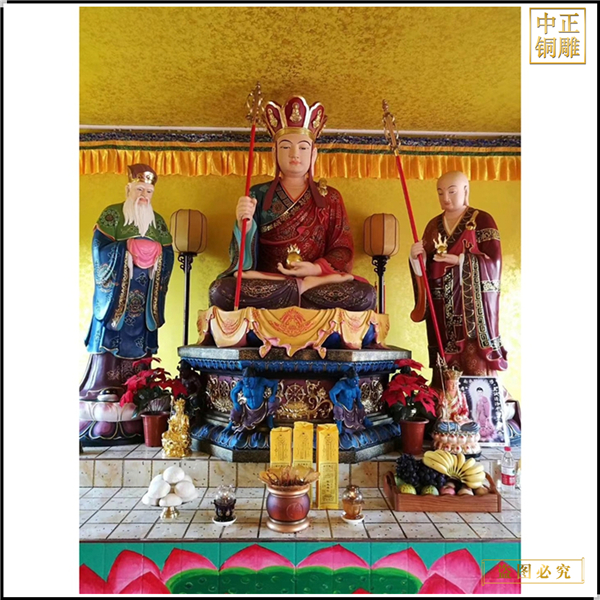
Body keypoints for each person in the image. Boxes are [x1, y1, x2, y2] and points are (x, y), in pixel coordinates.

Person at [209, 95, 376, 311]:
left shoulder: (330, 197)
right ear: (274, 152)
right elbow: (242, 258)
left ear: (313, 154)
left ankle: (300, 289)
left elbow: (342, 250)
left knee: (365, 295)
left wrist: (315, 269)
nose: (294, 154)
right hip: (271, 282)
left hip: (316, 282)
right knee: (221, 291)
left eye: (303, 148)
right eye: (286, 147)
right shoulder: (257, 194)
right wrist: (245, 226)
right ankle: (297, 290)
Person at [80, 164, 174, 401]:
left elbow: (168, 253)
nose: (144, 196)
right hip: (116, 292)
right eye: (139, 189)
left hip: (145, 293)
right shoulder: (112, 215)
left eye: (149, 191)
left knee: (142, 339)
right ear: (128, 189)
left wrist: (157, 255)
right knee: (111, 333)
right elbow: (99, 248)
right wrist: (126, 249)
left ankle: (141, 386)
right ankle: (105, 384)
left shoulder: (158, 222)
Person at [409, 171, 508, 387]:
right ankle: (442, 399)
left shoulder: (481, 220)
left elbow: (494, 262)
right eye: (440, 193)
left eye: (452, 192)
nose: (446, 198)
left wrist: (460, 260)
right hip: (441, 303)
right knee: (443, 358)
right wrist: (417, 258)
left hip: (469, 306)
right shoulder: (433, 225)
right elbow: (426, 267)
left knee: (472, 360)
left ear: (465, 191)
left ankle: (478, 399)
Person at [329, 368, 373, 434]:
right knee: (338, 409)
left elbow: (358, 392)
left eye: (357, 380)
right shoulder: (341, 384)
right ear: (348, 380)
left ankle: (365, 420)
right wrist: (336, 402)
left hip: (352, 408)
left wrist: (358, 400)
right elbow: (332, 392)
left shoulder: (355, 386)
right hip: (343, 407)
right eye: (354, 380)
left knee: (361, 407)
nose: (357, 382)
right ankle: (339, 426)